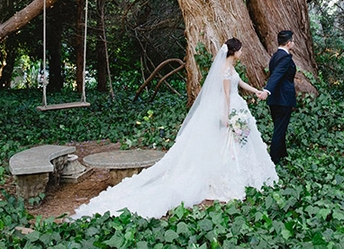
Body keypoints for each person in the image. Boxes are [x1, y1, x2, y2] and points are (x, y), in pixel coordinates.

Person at [71, 38, 277, 220]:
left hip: (237, 106)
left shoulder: (231, 68)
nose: (242, 52)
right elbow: (225, 95)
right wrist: (226, 115)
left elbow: (240, 83)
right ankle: (225, 179)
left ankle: (243, 176)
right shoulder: (224, 70)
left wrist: (257, 91)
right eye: (240, 50)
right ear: (234, 51)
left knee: (239, 144)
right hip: (229, 109)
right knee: (227, 146)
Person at [262, 30, 297, 164]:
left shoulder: (275, 56)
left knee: (279, 127)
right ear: (288, 43)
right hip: (283, 99)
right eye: (293, 41)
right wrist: (267, 91)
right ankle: (274, 159)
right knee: (279, 130)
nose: (293, 43)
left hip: (275, 99)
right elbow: (276, 75)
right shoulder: (285, 58)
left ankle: (282, 154)